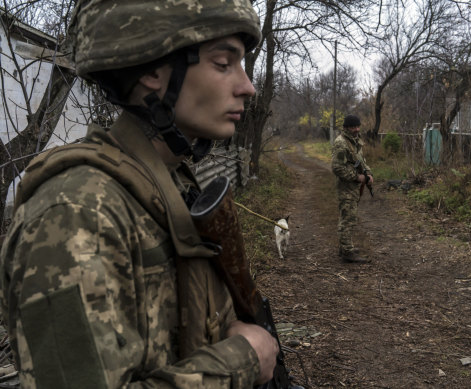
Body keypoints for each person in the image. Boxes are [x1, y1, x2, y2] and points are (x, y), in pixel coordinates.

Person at [0, 1, 284, 387]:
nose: (247, 87)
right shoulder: (76, 213)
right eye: (223, 63)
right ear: (153, 71)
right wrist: (240, 364)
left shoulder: (167, 184)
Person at [331, 114, 374, 263]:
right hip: (346, 187)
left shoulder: (355, 141)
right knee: (348, 218)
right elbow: (337, 168)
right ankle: (347, 252)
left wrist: (368, 173)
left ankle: (345, 247)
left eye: (357, 126)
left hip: (354, 188)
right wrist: (357, 177)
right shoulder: (341, 143)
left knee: (350, 217)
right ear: (346, 128)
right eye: (353, 127)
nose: (356, 129)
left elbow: (361, 161)